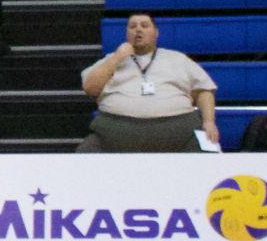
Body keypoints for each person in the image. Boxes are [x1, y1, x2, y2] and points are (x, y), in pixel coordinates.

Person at [77, 13, 219, 152]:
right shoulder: (111, 60)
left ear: (156, 33)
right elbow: (90, 88)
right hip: (116, 131)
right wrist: (116, 58)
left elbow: (204, 91)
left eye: (144, 26)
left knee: (209, 149)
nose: (138, 29)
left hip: (178, 130)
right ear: (127, 33)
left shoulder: (178, 59)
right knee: (86, 152)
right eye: (132, 26)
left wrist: (209, 122)